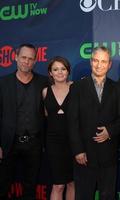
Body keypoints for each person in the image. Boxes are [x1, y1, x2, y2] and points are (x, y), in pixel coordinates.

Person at [67, 46, 120, 200]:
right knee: (84, 196)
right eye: (96, 60)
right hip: (84, 156)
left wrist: (110, 131)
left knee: (108, 196)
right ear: (91, 61)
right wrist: (78, 150)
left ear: (109, 64)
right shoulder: (77, 88)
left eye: (103, 61)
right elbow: (72, 122)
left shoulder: (118, 89)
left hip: (109, 156)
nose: (99, 65)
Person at [0, 43, 48, 199]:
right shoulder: (3, 83)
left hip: (34, 143)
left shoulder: (44, 82)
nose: (26, 62)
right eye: (23, 57)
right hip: (9, 143)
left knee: (30, 187)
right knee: (3, 184)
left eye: (30, 59)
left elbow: (63, 90)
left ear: (35, 61)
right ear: (15, 57)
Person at [42, 56, 74, 200]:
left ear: (68, 71)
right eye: (55, 69)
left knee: (72, 183)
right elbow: (46, 116)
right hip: (53, 143)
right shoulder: (45, 92)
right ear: (50, 73)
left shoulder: (76, 88)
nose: (59, 72)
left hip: (74, 142)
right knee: (58, 185)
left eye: (63, 69)